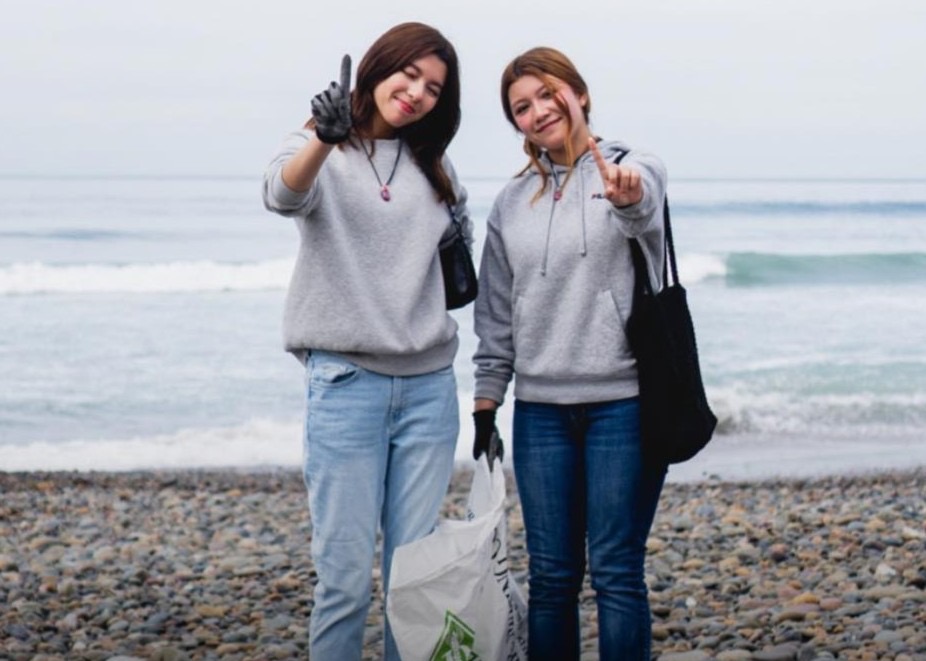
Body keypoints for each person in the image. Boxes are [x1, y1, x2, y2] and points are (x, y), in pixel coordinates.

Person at [261, 22, 472, 661]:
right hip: (346, 383)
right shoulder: (320, 146)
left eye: (434, 88)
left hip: (430, 387)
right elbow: (281, 195)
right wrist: (324, 139)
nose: (416, 93)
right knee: (344, 581)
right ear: (378, 69)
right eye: (408, 74)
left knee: (411, 583)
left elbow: (456, 256)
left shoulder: (435, 165)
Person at [471, 46, 668, 660]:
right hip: (540, 412)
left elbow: (644, 211)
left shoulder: (633, 166)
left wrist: (627, 196)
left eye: (546, 95)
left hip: (624, 404)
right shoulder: (511, 201)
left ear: (578, 93)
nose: (536, 113)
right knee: (552, 577)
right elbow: (497, 311)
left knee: (615, 572)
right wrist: (485, 404)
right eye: (521, 108)